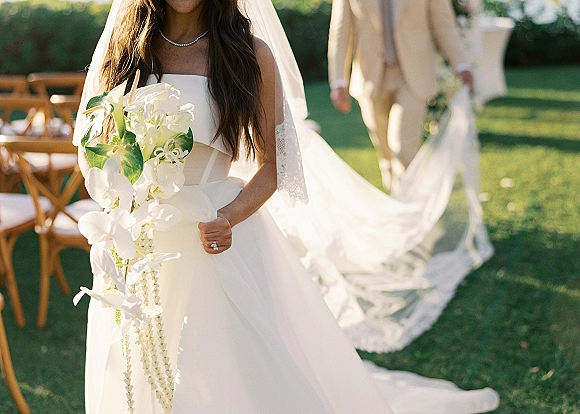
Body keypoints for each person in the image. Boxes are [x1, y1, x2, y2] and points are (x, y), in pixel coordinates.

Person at [74, 0, 499, 412]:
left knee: (230, 360)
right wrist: (122, 200)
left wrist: (229, 217)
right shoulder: (127, 49)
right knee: (138, 356)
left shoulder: (249, 54)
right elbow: (97, 143)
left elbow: (273, 167)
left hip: (216, 230)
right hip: (142, 234)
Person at [328, 0, 475, 192]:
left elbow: (443, 21)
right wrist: (339, 81)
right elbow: (341, 30)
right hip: (370, 76)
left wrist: (461, 63)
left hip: (413, 74)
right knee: (386, 154)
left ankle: (408, 210)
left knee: (403, 147)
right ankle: (396, 203)